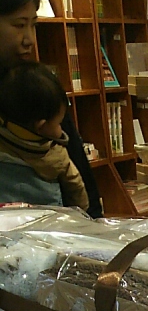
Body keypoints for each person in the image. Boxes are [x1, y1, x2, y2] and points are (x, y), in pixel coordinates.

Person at [0, 0, 101, 214]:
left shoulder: (33, 85)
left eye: (33, 25)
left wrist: (93, 221)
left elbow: (75, 161)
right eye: (19, 25)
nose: (29, 40)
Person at [0, 62, 88, 207]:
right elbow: (76, 188)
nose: (61, 129)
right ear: (41, 126)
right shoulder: (56, 155)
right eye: (58, 123)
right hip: (49, 218)